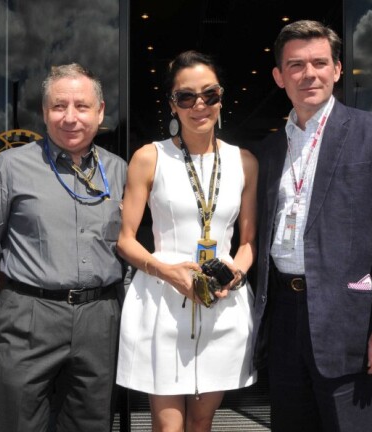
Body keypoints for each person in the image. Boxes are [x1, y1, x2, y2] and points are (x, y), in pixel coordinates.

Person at [252, 20, 372, 432]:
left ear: (338, 69)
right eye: (296, 65)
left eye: (320, 62)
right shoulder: (270, 150)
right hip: (285, 321)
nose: (309, 74)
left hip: (351, 324)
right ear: (278, 77)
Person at [0, 63, 127, 432]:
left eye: (82, 106)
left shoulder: (119, 172)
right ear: (44, 112)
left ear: (100, 112)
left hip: (99, 319)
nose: (70, 117)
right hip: (27, 317)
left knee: (91, 424)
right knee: (14, 422)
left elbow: (130, 253)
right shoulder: (10, 166)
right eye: (58, 106)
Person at [116, 50, 258, 431]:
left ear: (221, 98)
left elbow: (247, 244)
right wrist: (166, 270)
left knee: (202, 421)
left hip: (222, 304)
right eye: (187, 97)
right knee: (168, 428)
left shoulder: (244, 162)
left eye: (209, 95)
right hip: (162, 301)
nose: (200, 105)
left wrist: (235, 275)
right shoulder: (150, 157)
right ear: (172, 105)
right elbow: (126, 240)